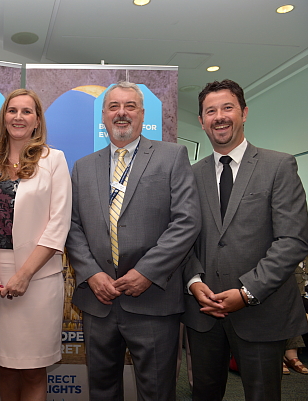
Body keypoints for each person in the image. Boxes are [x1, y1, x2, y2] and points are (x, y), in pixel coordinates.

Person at [66, 81, 201, 401]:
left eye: (130, 106)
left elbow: (187, 221)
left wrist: (147, 273)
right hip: (99, 301)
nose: (121, 113)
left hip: (153, 300)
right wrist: (92, 274)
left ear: (142, 114)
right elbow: (71, 227)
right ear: (103, 116)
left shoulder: (172, 155)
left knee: (157, 391)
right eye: (114, 106)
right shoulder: (83, 166)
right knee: (102, 390)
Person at [182, 79, 308, 401]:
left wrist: (247, 292)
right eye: (210, 111)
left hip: (261, 312)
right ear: (201, 121)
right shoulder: (189, 175)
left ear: (244, 113)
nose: (219, 116)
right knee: (203, 394)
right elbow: (181, 237)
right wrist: (194, 282)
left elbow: (292, 240)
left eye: (227, 108)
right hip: (204, 312)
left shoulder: (278, 165)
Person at [0, 88, 71, 400]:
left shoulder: (53, 160)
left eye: (27, 111)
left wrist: (25, 274)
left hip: (37, 279)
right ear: (4, 118)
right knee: (4, 366)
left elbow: (58, 223)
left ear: (37, 121)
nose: (18, 117)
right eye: (12, 111)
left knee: (32, 370)